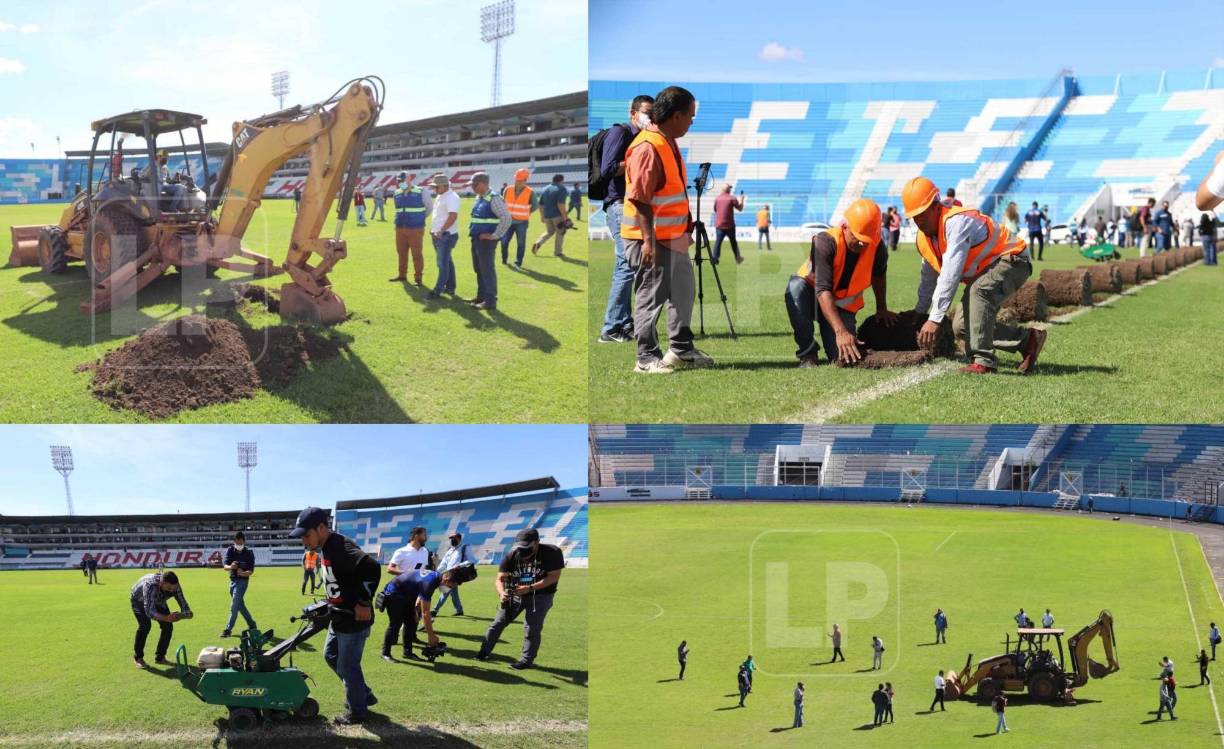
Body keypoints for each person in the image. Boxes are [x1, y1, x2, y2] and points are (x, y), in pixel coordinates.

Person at [903, 176, 1046, 375]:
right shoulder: (923, 238)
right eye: (914, 216)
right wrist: (920, 312)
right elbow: (929, 278)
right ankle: (1028, 340)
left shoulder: (956, 223)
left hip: (1013, 259)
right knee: (961, 326)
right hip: (990, 268)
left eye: (922, 213)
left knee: (978, 291)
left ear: (936, 205)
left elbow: (950, 274)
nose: (919, 220)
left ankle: (984, 361)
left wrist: (934, 319)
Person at [623, 85, 713, 374]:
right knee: (650, 297)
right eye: (690, 116)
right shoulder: (648, 146)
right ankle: (646, 358)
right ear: (675, 116)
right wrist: (648, 242)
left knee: (684, 292)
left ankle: (681, 349)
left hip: (672, 238)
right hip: (650, 239)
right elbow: (640, 198)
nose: (691, 122)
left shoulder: (667, 141)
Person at [289, 506, 381, 725]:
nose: (304, 541)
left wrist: (363, 602)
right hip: (338, 617)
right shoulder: (325, 548)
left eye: (307, 535)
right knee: (331, 656)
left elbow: (371, 567)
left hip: (353, 619)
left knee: (348, 666)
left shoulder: (339, 546)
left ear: (321, 528)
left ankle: (357, 711)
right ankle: (363, 694)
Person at [785, 199, 895, 367]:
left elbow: (879, 275)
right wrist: (841, 331)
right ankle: (808, 354)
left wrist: (882, 308)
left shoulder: (877, 246)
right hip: (812, 297)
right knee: (795, 289)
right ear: (845, 226)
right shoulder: (825, 242)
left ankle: (831, 340)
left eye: (866, 241)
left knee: (843, 357)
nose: (862, 244)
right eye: (858, 238)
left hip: (841, 306)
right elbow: (822, 289)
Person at [598, 94, 654, 345]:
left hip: (631, 205)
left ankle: (624, 323)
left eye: (653, 114)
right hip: (619, 204)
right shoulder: (620, 133)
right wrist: (635, 160)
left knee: (630, 263)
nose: (649, 117)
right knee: (626, 263)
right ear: (633, 113)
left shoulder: (643, 137)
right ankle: (611, 327)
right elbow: (607, 169)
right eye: (646, 112)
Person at [476, 527, 565, 670]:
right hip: (516, 594)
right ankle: (483, 652)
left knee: (531, 629)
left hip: (541, 596)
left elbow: (553, 577)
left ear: (536, 543)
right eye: (520, 547)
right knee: (497, 623)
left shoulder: (552, 552)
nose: (523, 552)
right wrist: (502, 593)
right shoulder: (512, 555)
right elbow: (500, 579)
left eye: (527, 547)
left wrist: (529, 588)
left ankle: (526, 661)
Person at [379, 561, 477, 661]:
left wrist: (417, 609)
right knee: (395, 624)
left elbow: (419, 596)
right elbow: (425, 613)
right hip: (394, 594)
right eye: (452, 586)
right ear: (446, 579)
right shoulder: (429, 583)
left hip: (407, 594)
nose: (450, 588)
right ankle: (385, 653)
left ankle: (407, 653)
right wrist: (431, 636)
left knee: (411, 622)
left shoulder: (437, 577)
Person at [467, 171, 512, 311]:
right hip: (476, 239)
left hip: (486, 242)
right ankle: (481, 296)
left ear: (483, 184)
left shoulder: (494, 198)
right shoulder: (479, 198)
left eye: (474, 185)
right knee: (479, 269)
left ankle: (490, 301)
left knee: (487, 270)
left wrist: (494, 236)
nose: (472, 187)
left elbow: (506, 218)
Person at [130, 570, 192, 668]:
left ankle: (160, 657)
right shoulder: (150, 585)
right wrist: (167, 617)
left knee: (168, 626)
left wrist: (182, 615)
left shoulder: (175, 587)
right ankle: (138, 658)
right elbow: (149, 611)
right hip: (139, 600)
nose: (171, 591)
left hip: (158, 600)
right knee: (145, 626)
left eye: (174, 589)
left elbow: (185, 606)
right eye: (168, 588)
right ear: (162, 583)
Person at [390, 175, 432, 285]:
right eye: (398, 181)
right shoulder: (397, 193)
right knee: (401, 253)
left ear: (408, 180)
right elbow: (398, 209)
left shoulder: (421, 191)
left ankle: (418, 278)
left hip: (416, 228)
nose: (400, 183)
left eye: (402, 181)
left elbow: (429, 208)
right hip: (400, 228)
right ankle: (402, 275)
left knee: (416, 254)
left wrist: (419, 218)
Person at [426, 175, 461, 301]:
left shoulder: (452, 197)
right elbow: (438, 215)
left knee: (442, 264)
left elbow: (453, 216)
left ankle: (438, 290)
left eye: (437, 187)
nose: (435, 189)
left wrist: (441, 230)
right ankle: (450, 287)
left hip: (445, 235)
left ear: (445, 186)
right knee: (447, 262)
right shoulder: (441, 195)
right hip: (438, 234)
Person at [220, 531, 257, 638]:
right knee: (240, 605)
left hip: (243, 582)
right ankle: (252, 624)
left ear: (244, 542)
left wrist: (243, 573)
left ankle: (228, 629)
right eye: (237, 543)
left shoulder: (249, 552)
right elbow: (225, 566)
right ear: (234, 542)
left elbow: (251, 571)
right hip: (232, 581)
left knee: (234, 605)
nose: (239, 545)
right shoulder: (230, 550)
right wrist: (231, 567)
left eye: (241, 543)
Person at [432, 532, 472, 617]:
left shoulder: (464, 547)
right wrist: (436, 573)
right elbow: (443, 564)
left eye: (454, 538)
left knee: (445, 590)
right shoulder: (450, 550)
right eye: (451, 538)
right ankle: (459, 610)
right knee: (453, 592)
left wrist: (459, 565)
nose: (452, 540)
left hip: (458, 574)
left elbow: (471, 560)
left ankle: (435, 610)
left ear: (459, 539)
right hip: (449, 574)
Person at [501, 168, 535, 268]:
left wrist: (525, 213)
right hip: (508, 221)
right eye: (516, 179)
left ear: (525, 180)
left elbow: (535, 206)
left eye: (520, 180)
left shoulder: (530, 192)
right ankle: (504, 259)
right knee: (504, 241)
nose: (517, 182)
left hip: (521, 222)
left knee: (521, 243)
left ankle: (518, 262)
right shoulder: (508, 189)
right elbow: (503, 202)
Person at [531, 174, 570, 257]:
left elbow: (540, 204)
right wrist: (565, 217)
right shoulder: (561, 189)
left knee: (550, 232)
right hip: (557, 215)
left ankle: (538, 242)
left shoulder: (545, 188)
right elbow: (560, 204)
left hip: (547, 215)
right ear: (561, 180)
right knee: (561, 232)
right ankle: (558, 252)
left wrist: (542, 216)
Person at [710, 184, 745, 265]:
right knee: (733, 243)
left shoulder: (717, 198)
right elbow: (740, 209)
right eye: (730, 188)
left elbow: (715, 210)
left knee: (718, 242)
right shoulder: (732, 198)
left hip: (719, 225)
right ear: (728, 190)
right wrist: (742, 200)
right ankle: (738, 258)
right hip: (730, 225)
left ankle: (715, 259)